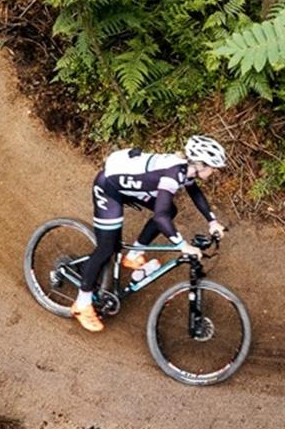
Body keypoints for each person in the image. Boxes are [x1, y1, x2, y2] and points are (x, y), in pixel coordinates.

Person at [70, 135, 228, 332]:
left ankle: (134, 254)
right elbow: (160, 218)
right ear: (200, 164)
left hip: (130, 188)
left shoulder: (187, 171)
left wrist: (212, 221)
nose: (215, 171)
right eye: (213, 167)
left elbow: (194, 193)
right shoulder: (173, 174)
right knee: (107, 248)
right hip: (108, 189)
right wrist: (182, 245)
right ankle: (82, 303)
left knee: (170, 209)